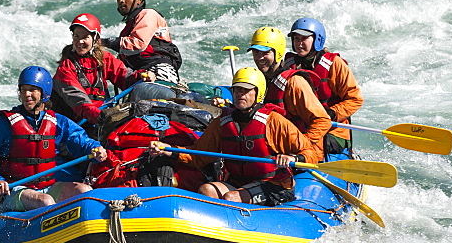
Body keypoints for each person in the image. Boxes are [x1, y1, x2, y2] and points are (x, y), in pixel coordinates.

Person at [149, 67, 319, 205]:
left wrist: (292, 157)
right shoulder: (223, 122)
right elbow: (199, 156)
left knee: (231, 198)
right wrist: (169, 150)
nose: (240, 94)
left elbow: (310, 153)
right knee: (206, 190)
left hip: (274, 185)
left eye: (246, 90)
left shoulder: (274, 121)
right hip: (240, 183)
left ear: (258, 93)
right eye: (237, 89)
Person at [0, 66, 107, 211]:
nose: (27, 94)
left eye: (32, 90)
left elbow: (80, 140)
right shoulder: (4, 124)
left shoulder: (58, 121)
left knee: (85, 192)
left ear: (44, 93)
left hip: (48, 187)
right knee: (45, 202)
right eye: (23, 89)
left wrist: (94, 148)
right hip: (14, 191)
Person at [51, 12, 154, 127]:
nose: (80, 41)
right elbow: (78, 100)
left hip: (102, 117)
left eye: (85, 37)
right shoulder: (65, 67)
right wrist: (101, 117)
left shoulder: (104, 58)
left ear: (95, 39)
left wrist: (140, 76)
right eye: (76, 36)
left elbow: (124, 76)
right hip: (76, 124)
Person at [249, 26, 333, 160]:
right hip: (273, 147)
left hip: (301, 153)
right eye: (256, 53)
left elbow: (322, 120)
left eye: (265, 53)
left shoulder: (294, 83)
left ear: (278, 53)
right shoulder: (259, 80)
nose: (259, 58)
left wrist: (300, 150)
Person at [284, 17, 363, 154]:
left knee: (307, 147)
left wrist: (331, 113)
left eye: (304, 39)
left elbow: (355, 99)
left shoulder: (334, 64)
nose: (299, 43)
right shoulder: (289, 63)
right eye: (296, 39)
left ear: (317, 40)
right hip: (304, 128)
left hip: (334, 132)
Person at [100, 0, 183, 83]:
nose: (121, 0)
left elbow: (138, 44)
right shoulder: (128, 28)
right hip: (140, 74)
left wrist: (104, 42)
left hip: (158, 69)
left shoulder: (148, 14)